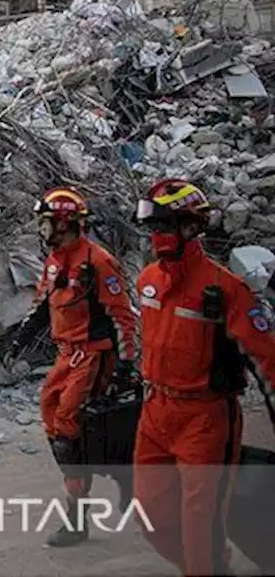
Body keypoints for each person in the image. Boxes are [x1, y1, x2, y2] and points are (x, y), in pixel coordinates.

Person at [131, 179, 275, 576]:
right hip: (156, 414)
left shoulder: (226, 290)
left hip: (206, 420)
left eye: (164, 227)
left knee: (201, 529)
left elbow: (267, 363)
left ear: (191, 227)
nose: (156, 236)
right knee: (150, 514)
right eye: (153, 228)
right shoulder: (147, 282)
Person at [3, 186, 140, 546]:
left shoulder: (99, 262)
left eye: (46, 222)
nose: (41, 229)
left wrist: (125, 365)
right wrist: (18, 343)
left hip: (94, 355)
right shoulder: (54, 262)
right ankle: (94, 492)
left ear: (63, 223)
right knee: (54, 421)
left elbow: (122, 317)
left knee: (72, 426)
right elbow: (41, 307)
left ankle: (83, 513)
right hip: (67, 356)